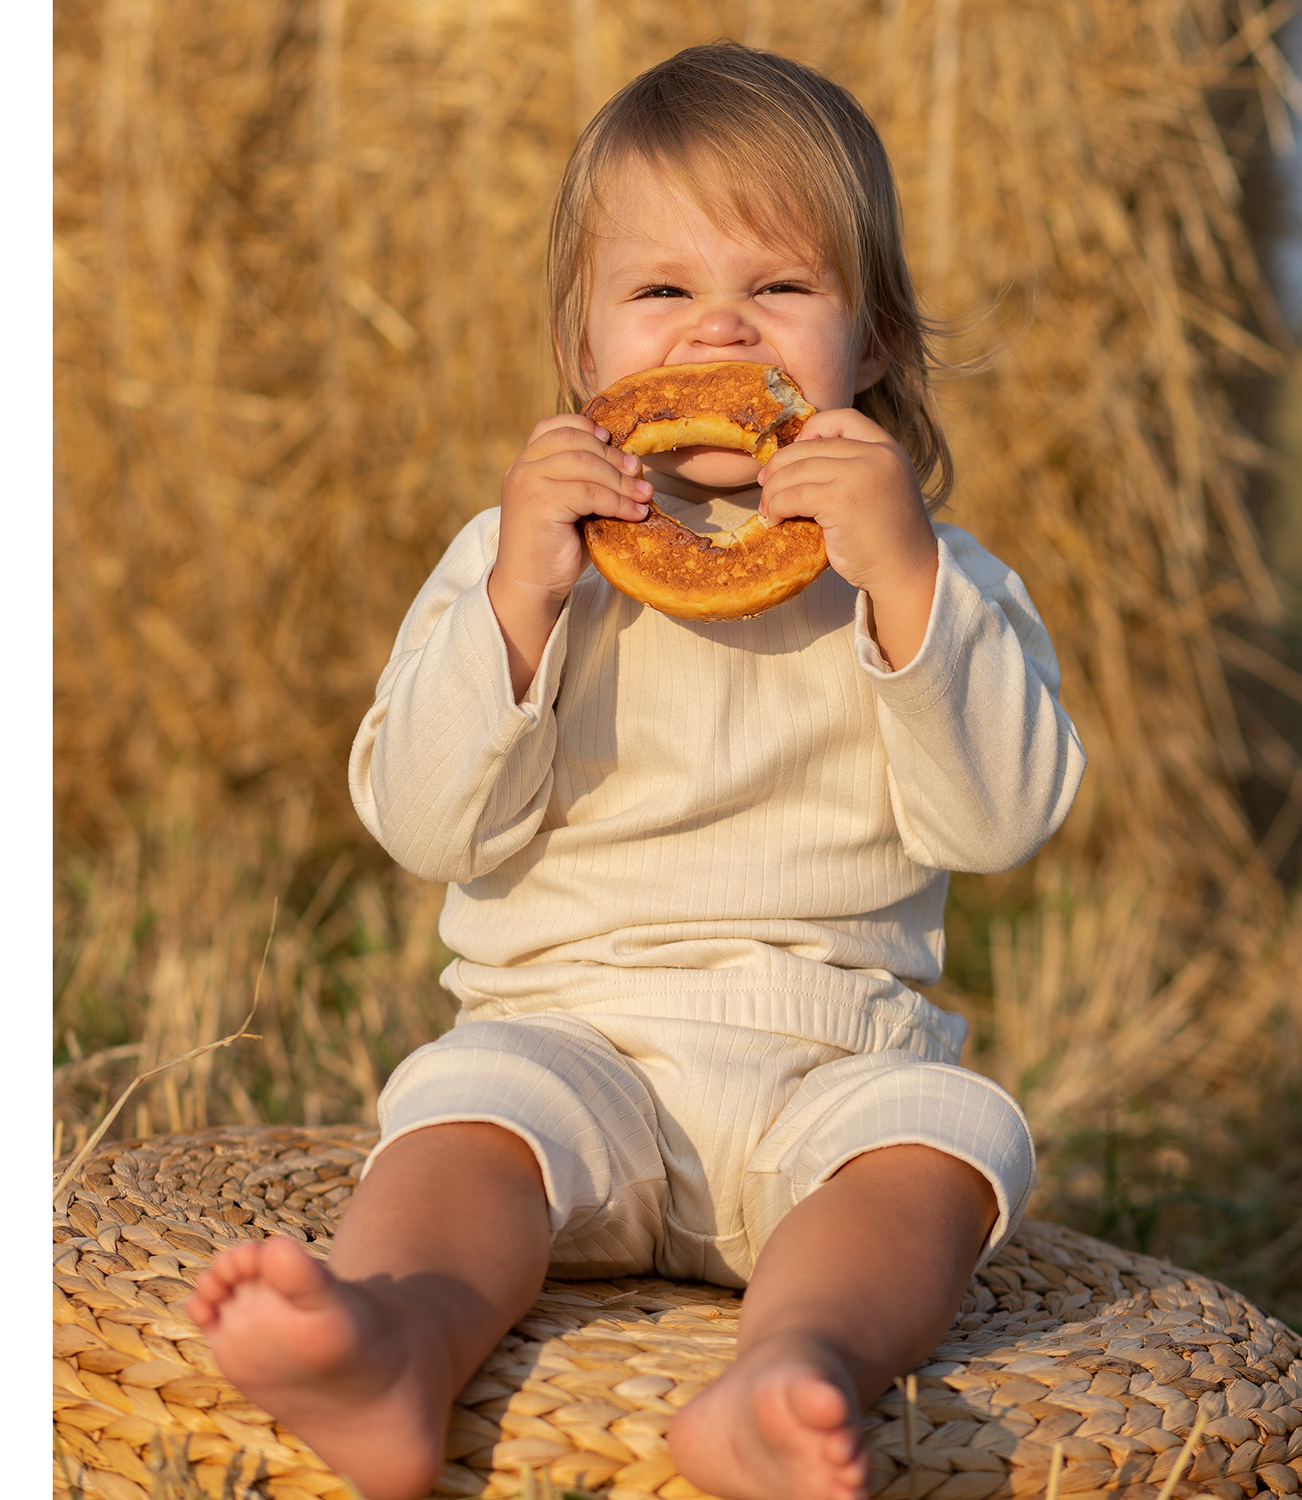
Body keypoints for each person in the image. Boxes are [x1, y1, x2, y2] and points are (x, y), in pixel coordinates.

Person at [184, 41, 1087, 1500]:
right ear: (583, 352)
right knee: (464, 1115)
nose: (719, 332)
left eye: (780, 290)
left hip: (833, 1063)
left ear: (871, 342)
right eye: (662, 292)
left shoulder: (933, 578)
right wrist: (518, 610)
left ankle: (794, 1373)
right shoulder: (516, 563)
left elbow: (1002, 819)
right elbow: (421, 825)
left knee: (955, 1143)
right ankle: (396, 1343)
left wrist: (909, 582)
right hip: (570, 1039)